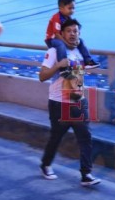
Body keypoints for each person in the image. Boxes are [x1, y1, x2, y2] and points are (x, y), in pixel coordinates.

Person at [39, 18, 101, 187]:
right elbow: (42, 76)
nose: (73, 34)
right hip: (58, 103)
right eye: (69, 31)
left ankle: (86, 174)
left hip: (77, 101)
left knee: (85, 137)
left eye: (76, 31)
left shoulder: (81, 53)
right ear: (62, 34)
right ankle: (45, 164)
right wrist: (58, 65)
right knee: (56, 137)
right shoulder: (54, 52)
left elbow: (80, 74)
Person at [45, 0, 99, 75]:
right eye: (70, 8)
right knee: (61, 45)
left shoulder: (68, 18)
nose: (72, 11)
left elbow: (73, 29)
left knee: (81, 41)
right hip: (52, 39)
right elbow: (57, 34)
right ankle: (63, 67)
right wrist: (68, 44)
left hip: (61, 37)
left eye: (73, 8)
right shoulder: (56, 17)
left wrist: (76, 41)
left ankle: (88, 61)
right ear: (61, 8)